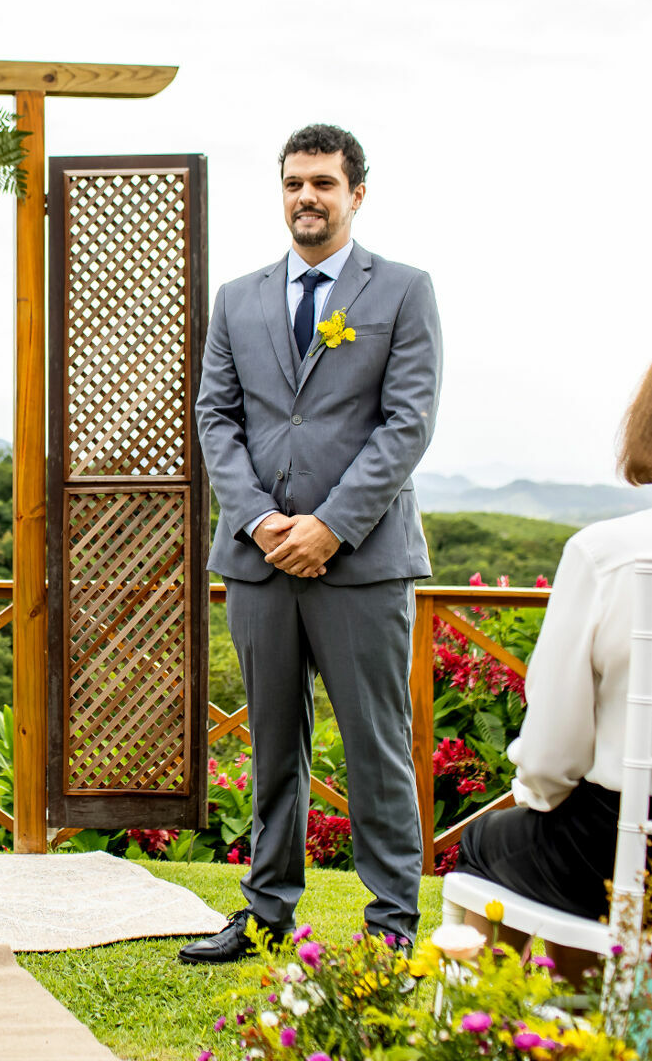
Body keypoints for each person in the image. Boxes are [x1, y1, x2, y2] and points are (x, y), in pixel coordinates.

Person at [183, 124, 443, 963]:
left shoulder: (403, 291)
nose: (307, 197)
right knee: (270, 745)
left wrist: (330, 526)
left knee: (374, 744)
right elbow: (215, 419)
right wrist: (261, 521)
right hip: (257, 561)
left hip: (361, 562)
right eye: (294, 182)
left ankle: (390, 927)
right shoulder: (238, 298)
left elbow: (406, 425)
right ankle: (263, 913)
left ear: (354, 194)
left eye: (324, 183)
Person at [453, 363, 652, 978]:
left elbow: (549, 758)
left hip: (626, 843)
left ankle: (514, 1030)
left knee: (490, 843)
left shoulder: (609, 555)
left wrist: (537, 797)